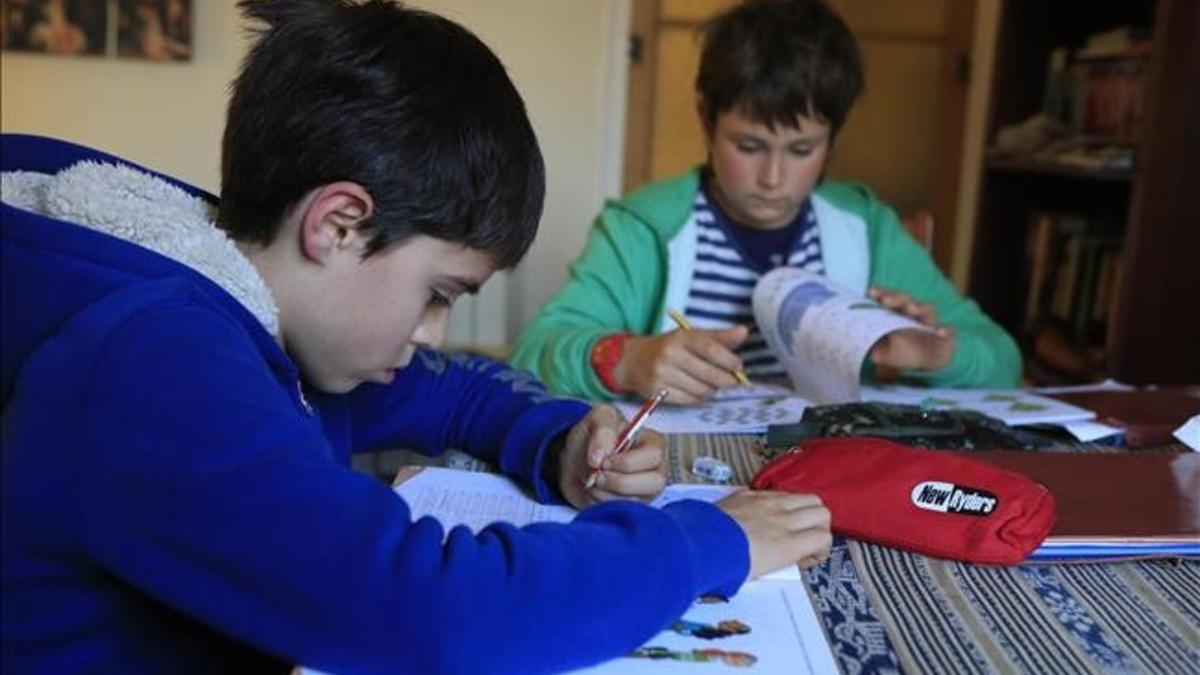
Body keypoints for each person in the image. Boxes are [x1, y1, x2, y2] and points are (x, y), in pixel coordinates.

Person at [0, 1, 833, 673]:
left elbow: (453, 385)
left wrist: (556, 442)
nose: (433, 333)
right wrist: (703, 541)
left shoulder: (258, 297)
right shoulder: (155, 366)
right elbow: (430, 610)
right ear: (338, 224)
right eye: (439, 294)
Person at [511, 0, 1021, 404]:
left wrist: (938, 352)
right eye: (749, 146)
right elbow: (535, 352)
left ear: (833, 136)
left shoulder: (865, 229)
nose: (774, 178)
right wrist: (626, 359)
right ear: (707, 122)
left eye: (802, 150)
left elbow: (1003, 358)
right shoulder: (644, 229)